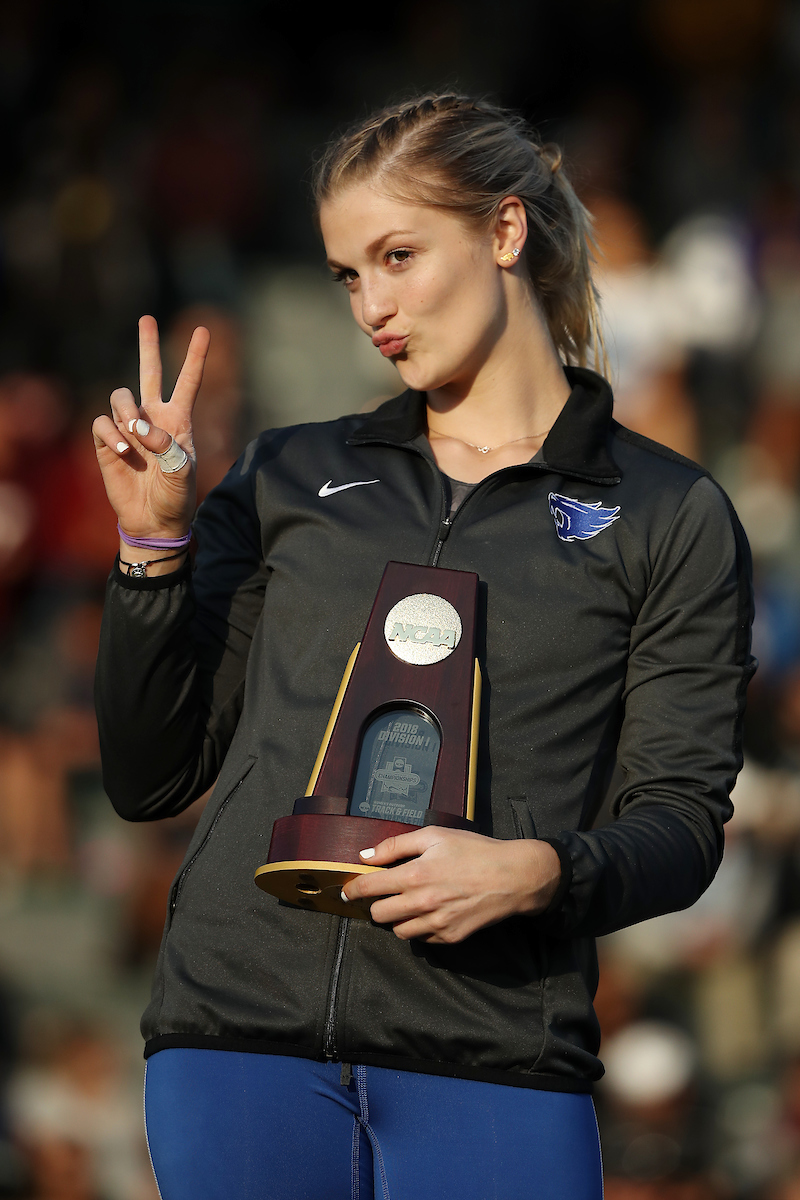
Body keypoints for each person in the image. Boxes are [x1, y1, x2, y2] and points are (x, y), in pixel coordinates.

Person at [92, 94, 756, 1200]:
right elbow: (148, 772)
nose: (373, 306)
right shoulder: (285, 477)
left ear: (504, 233)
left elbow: (681, 822)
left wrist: (537, 873)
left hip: (496, 1049)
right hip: (234, 1038)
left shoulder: (665, 511)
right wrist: (151, 544)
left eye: (398, 256)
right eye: (349, 273)